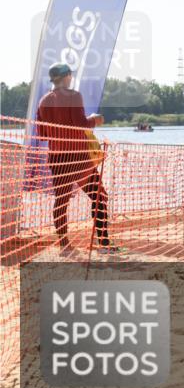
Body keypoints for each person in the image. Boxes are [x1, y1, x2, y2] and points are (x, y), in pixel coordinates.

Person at [35, 62, 122, 256]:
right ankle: (104, 242)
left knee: (61, 201)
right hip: (78, 158)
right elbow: (82, 124)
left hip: (57, 159)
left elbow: (41, 134)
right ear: (66, 76)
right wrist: (95, 119)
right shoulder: (73, 96)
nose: (71, 78)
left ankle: (64, 244)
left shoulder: (43, 101)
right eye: (70, 75)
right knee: (100, 196)